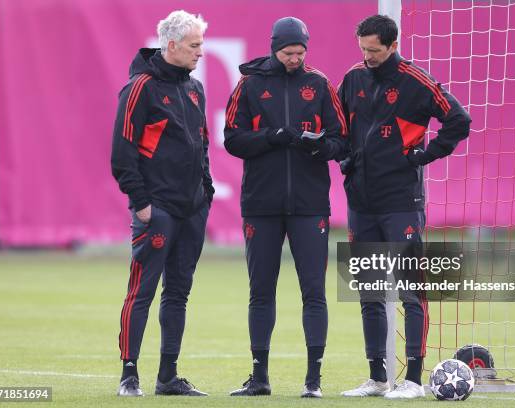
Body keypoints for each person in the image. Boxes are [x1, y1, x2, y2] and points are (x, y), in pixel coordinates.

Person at [337, 15, 471, 399]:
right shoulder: (353, 79)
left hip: (401, 203)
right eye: (363, 49)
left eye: (374, 51)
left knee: (411, 290)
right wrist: (345, 156)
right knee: (369, 292)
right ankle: (377, 378)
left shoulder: (416, 81)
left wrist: (425, 155)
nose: (367, 57)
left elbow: (459, 120)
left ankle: (413, 379)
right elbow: (342, 129)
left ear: (393, 46)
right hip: (361, 202)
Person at [224, 16, 347, 398]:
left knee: (314, 291)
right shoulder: (249, 84)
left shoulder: (321, 84)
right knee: (261, 291)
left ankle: (314, 381)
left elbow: (342, 140)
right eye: (288, 52)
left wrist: (320, 147)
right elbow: (232, 139)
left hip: (310, 206)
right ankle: (259, 377)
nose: (294, 59)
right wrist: (272, 137)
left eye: (300, 52)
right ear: (274, 47)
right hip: (261, 205)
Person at [110, 10, 214, 397]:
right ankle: (129, 374)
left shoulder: (194, 89)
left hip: (192, 209)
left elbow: (201, 145)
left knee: (179, 293)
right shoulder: (140, 88)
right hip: (158, 208)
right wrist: (141, 203)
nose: (200, 53)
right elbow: (122, 154)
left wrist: (207, 191)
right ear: (171, 45)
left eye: (202, 45)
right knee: (143, 290)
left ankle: (168, 377)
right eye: (194, 46)